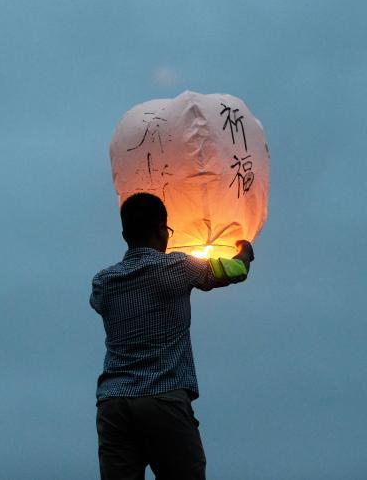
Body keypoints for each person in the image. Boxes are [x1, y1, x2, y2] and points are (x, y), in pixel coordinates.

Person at [90, 192, 255, 480]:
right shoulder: (176, 267)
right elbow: (235, 270)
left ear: (124, 234)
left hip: (113, 404)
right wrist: (245, 251)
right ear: (160, 230)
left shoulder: (103, 282)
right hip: (163, 398)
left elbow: (97, 303)